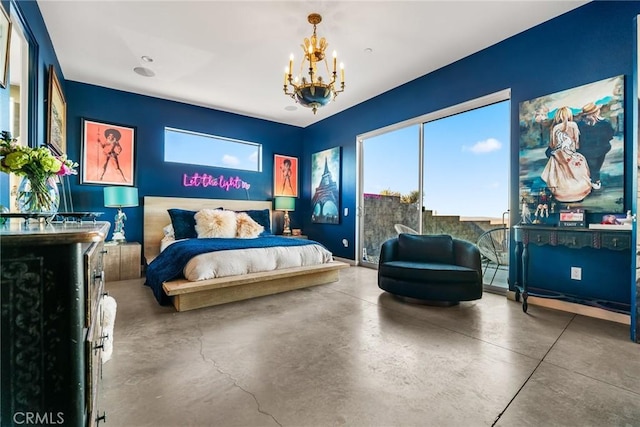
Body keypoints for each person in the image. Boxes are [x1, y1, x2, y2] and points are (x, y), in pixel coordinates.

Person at [541, 106, 592, 202]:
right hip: (570, 153)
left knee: (554, 165)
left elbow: (553, 145)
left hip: (559, 154)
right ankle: (579, 191)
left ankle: (561, 193)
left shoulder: (555, 128)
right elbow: (577, 145)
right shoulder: (573, 125)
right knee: (581, 162)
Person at [576, 102, 614, 190]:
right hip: (595, 150)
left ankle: (593, 180)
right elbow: (610, 135)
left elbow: (609, 135)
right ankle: (594, 180)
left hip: (596, 149)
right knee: (594, 166)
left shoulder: (580, 125)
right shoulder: (604, 123)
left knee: (594, 166)